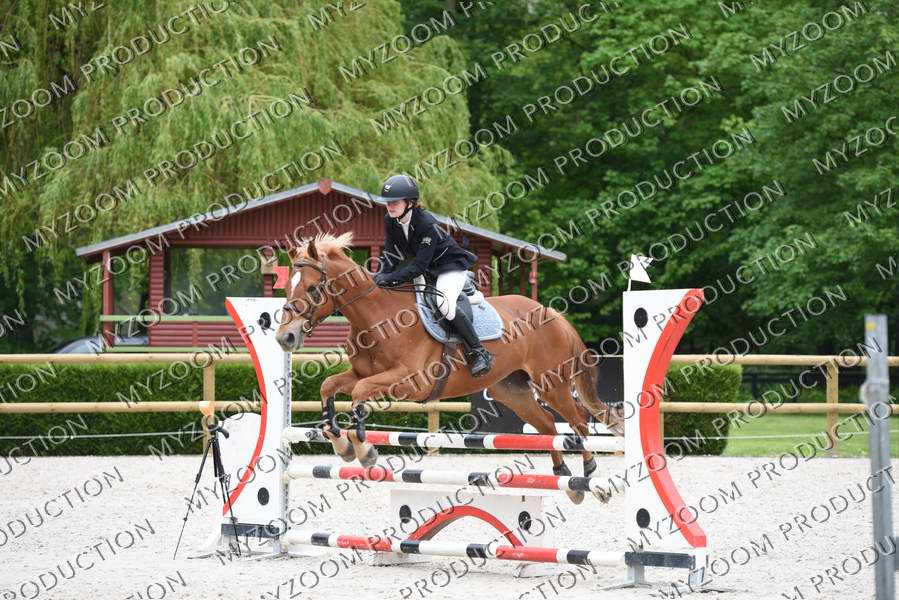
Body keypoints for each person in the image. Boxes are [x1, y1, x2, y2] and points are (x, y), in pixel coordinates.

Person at [373, 174, 494, 377]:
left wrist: (390, 278)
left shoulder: (427, 224)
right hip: (428, 269)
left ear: (410, 203)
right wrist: (380, 276)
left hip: (449, 267)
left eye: (394, 202)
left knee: (444, 304)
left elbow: (419, 266)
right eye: (387, 203)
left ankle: (480, 352)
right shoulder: (390, 220)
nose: (389, 206)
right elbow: (390, 253)